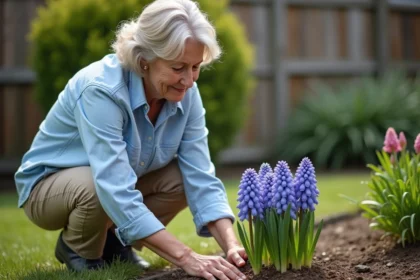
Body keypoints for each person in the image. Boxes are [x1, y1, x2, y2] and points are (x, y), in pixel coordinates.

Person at [14, 0, 248, 279]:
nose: (189, 80)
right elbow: (113, 186)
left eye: (196, 67)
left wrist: (232, 246)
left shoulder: (187, 93)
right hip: (47, 188)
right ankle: (78, 249)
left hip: (110, 182)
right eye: (178, 68)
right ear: (144, 60)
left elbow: (201, 176)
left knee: (182, 178)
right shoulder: (101, 90)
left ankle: (114, 241)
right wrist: (187, 257)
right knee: (95, 186)